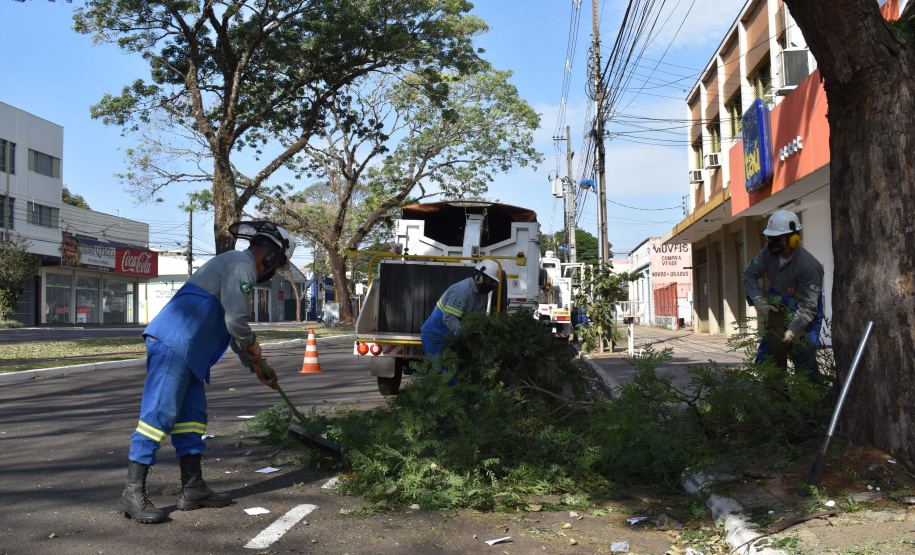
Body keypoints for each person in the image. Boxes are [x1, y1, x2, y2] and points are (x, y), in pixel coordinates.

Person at [119, 221, 295, 524]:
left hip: (191, 352)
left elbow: (231, 322)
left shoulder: (236, 266)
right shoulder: (242, 264)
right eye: (277, 265)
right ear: (270, 257)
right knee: (157, 417)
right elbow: (237, 321)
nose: (274, 271)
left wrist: (254, 365)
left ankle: (193, 488)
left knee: (191, 420)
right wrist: (255, 353)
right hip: (175, 343)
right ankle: (132, 493)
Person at [742, 210, 824, 378]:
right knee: (767, 362)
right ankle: (777, 400)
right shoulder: (767, 253)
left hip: (805, 316)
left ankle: (812, 402)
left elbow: (809, 306)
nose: (772, 243)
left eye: (776, 239)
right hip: (778, 312)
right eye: (769, 238)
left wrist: (793, 330)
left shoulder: (808, 266)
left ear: (794, 238)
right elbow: (749, 274)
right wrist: (759, 301)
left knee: (805, 365)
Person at [420, 259, 501, 358]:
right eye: (489, 281)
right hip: (436, 337)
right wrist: (467, 335)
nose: (491, 285)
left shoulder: (482, 295)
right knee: (451, 372)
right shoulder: (462, 291)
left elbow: (476, 319)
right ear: (479, 276)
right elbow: (449, 318)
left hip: (452, 339)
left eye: (493, 282)